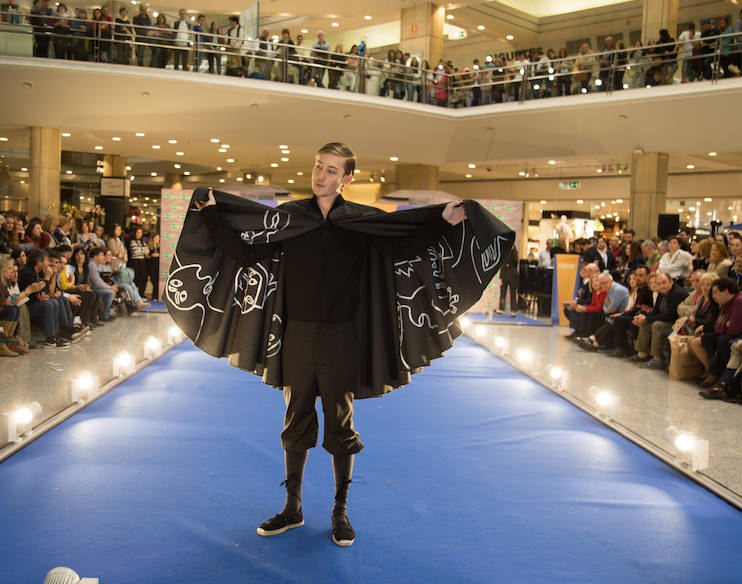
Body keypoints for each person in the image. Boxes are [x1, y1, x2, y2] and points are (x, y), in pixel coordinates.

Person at [193, 141, 468, 547]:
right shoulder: (290, 218)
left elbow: (400, 247)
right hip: (298, 334)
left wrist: (441, 222)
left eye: (331, 170)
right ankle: (293, 508)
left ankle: (340, 512)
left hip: (344, 335)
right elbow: (248, 254)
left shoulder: (359, 222)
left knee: (340, 424)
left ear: (347, 179)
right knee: (296, 419)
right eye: (318, 166)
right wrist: (215, 218)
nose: (320, 175)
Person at [495, 245, 518, 317]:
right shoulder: (515, 253)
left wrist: (501, 277)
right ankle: (513, 311)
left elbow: (503, 266)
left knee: (503, 294)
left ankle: (501, 310)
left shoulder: (507, 253)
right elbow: (515, 265)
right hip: (512, 277)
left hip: (506, 276)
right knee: (512, 295)